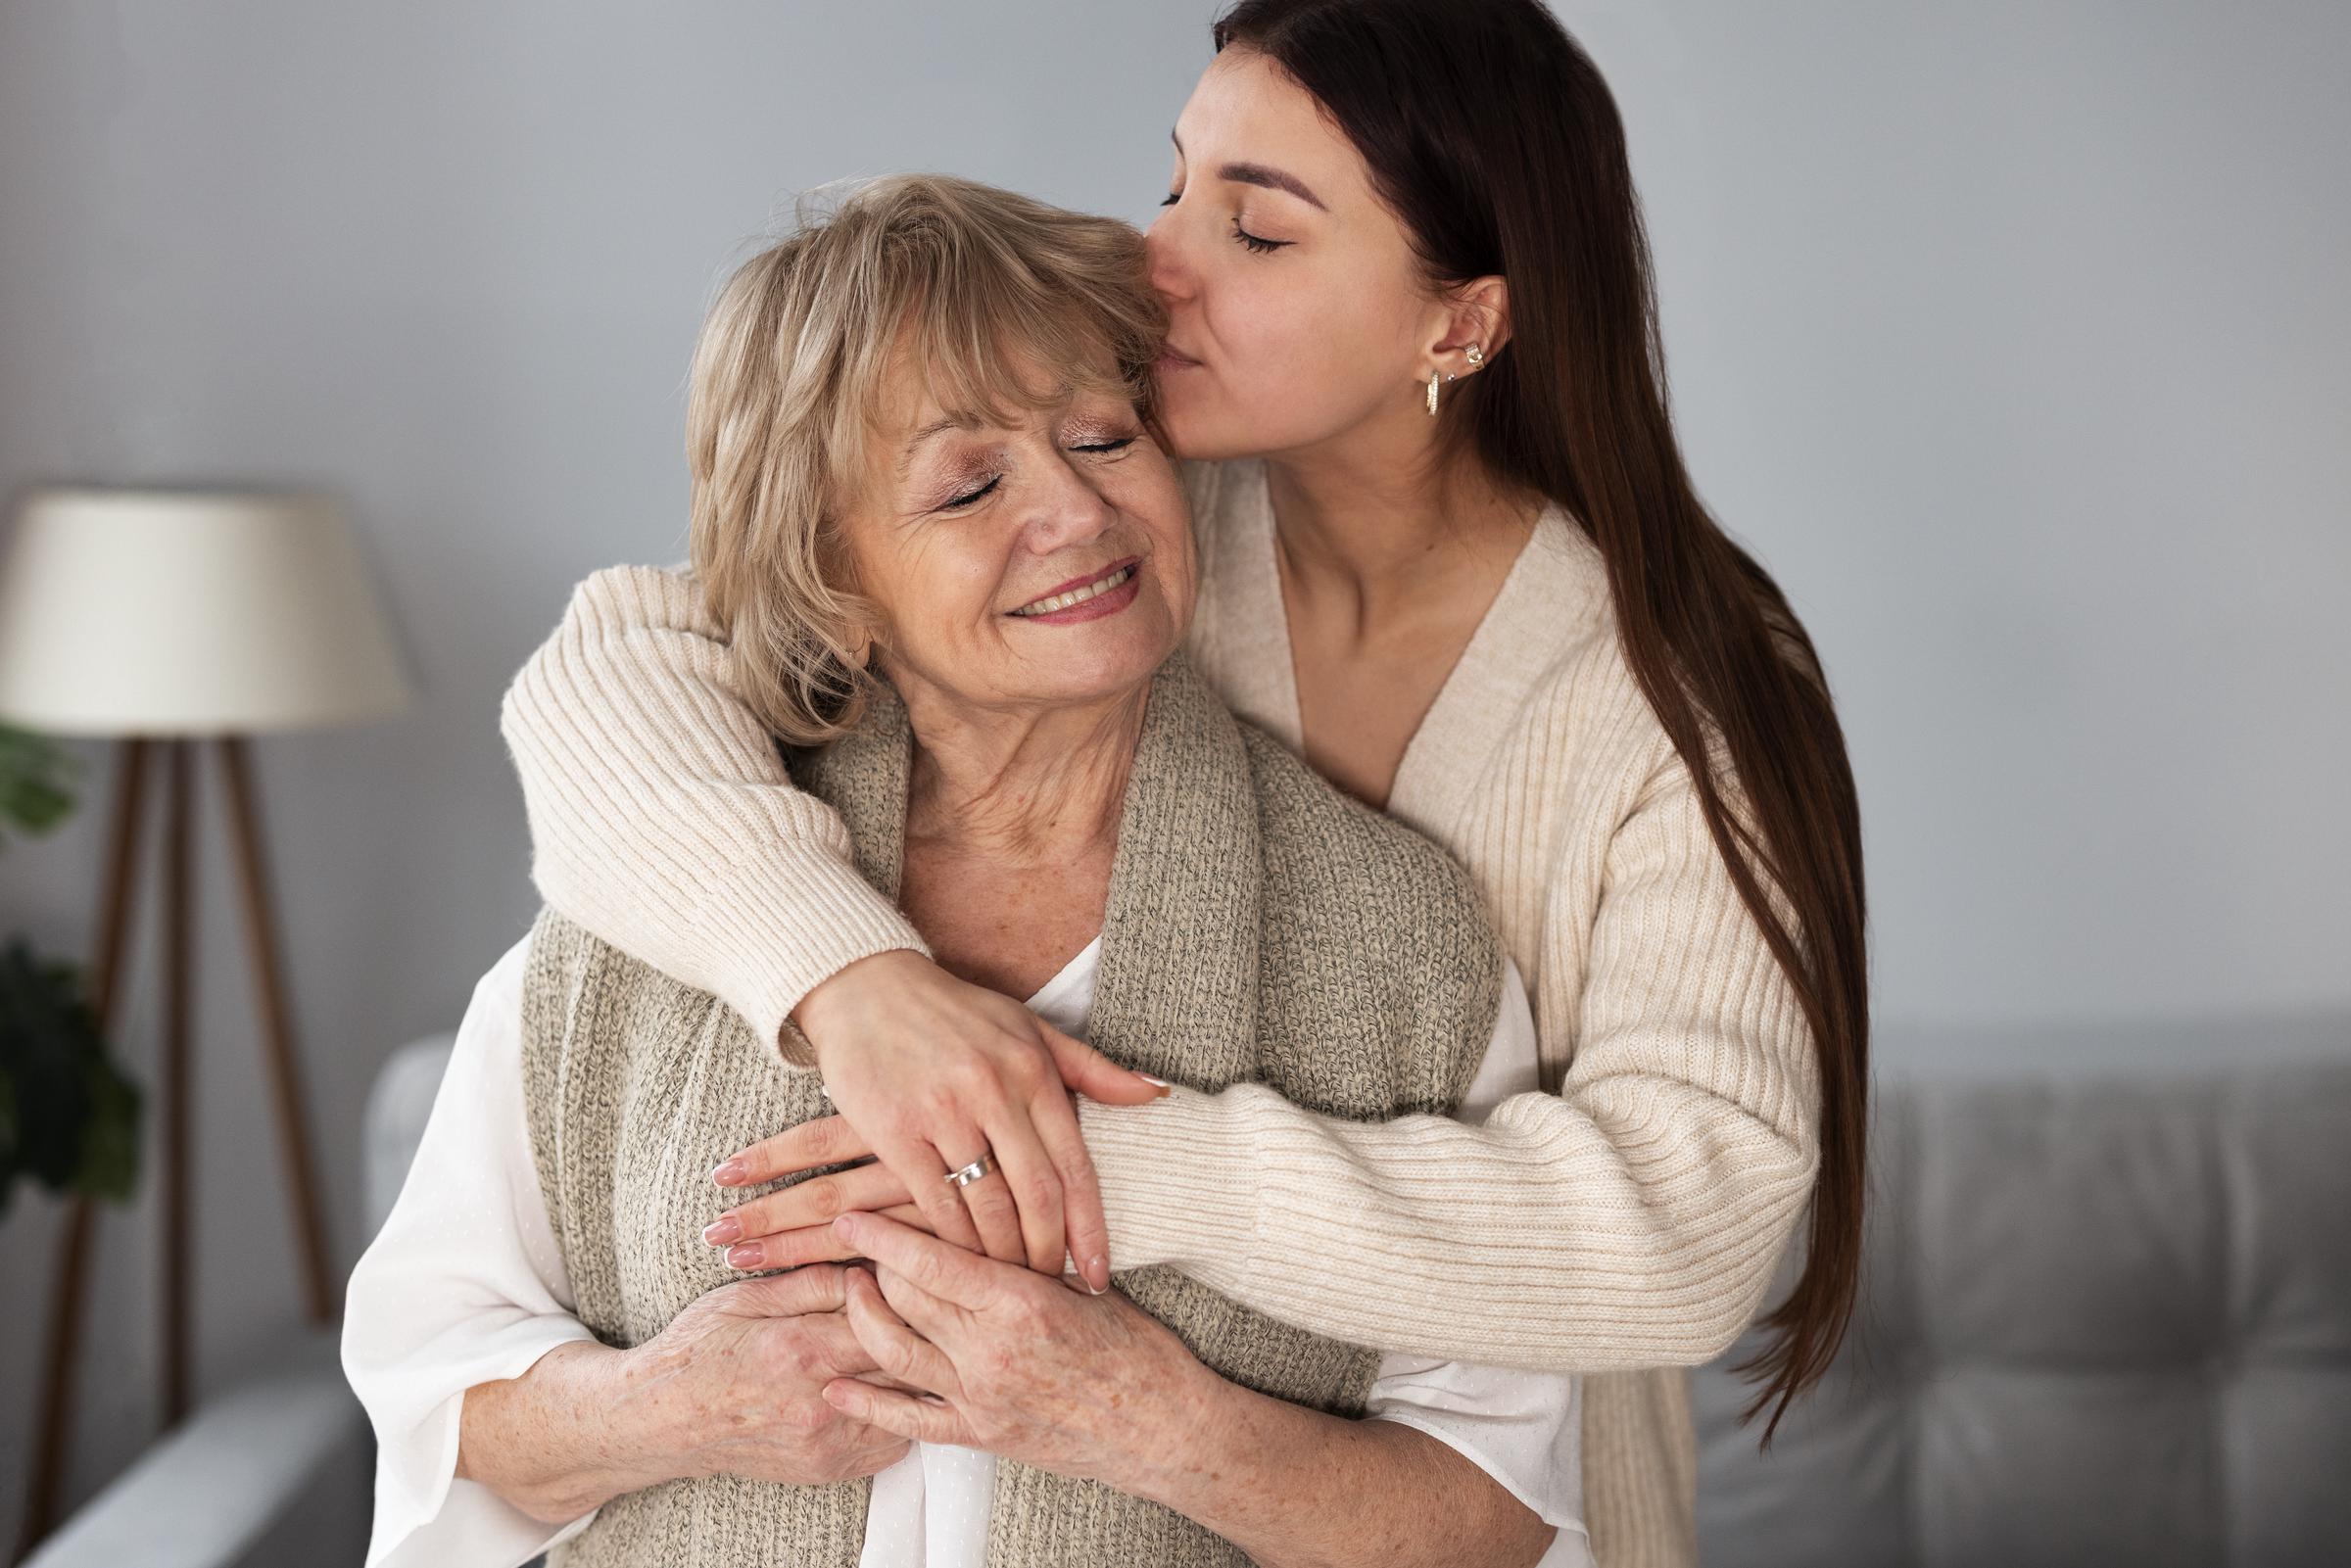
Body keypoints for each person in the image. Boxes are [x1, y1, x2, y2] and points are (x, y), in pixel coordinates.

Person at [499, 3, 1870, 1563]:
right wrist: (849, 974)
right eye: (1174, 184)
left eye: (1258, 230)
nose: (1158, 261)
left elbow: (1688, 1233)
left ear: (1461, 326)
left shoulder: (1681, 680)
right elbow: (617, 665)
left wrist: (1092, 1173)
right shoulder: (1122, 534)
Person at [346, 171, 1586, 1568]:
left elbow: (1501, 1514)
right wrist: (668, 1407)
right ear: (832, 574)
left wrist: (1149, 1420)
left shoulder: (1401, 949)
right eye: (971, 481)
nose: (1073, 508)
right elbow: (434, 1394)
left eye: (1106, 437)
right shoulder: (646, 901)